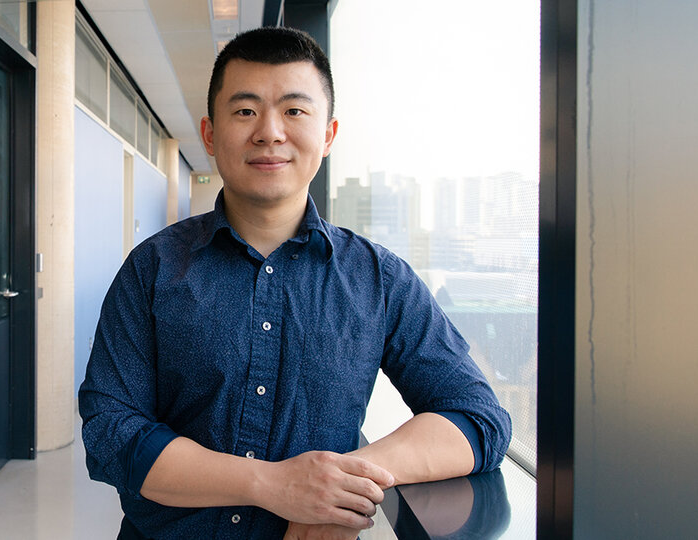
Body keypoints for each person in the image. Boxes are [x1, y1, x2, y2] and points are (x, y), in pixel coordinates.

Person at [78, 26, 511, 540]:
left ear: (327, 136)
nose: (270, 132)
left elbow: (477, 417)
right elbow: (111, 429)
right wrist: (273, 485)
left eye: (294, 111)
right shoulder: (152, 268)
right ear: (210, 134)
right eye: (245, 111)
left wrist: (336, 486)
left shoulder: (379, 278)